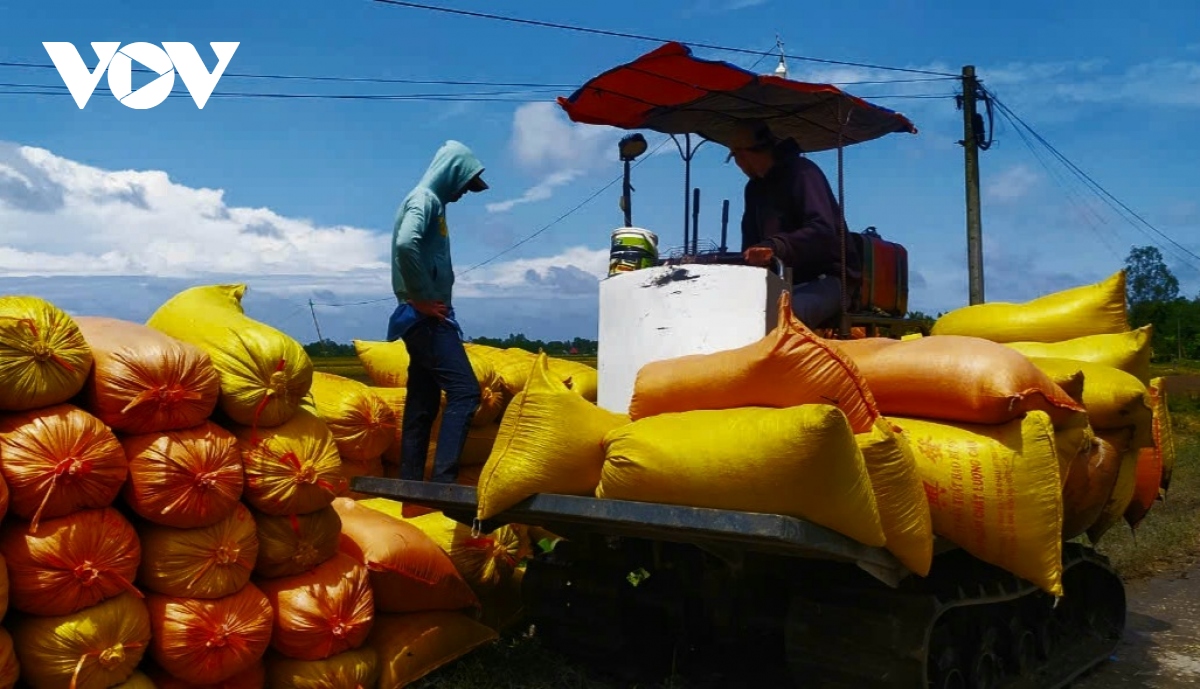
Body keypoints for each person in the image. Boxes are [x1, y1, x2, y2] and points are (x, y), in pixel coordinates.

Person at [387, 140, 487, 484]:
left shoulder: (433, 203)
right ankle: (444, 483)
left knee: (423, 403)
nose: (464, 194)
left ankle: (410, 484)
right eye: (465, 185)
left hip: (420, 317)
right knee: (465, 392)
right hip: (427, 318)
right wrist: (424, 298)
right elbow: (405, 243)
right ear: (452, 175)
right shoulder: (424, 200)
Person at [726, 120, 861, 328]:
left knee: (780, 320)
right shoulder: (753, 190)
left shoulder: (803, 173)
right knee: (727, 314)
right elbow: (751, 245)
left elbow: (823, 231)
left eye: (736, 158)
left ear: (741, 156)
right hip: (782, 283)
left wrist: (775, 247)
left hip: (828, 281)